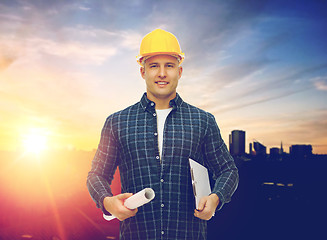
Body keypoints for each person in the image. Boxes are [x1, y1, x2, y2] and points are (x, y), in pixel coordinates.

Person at [87, 29, 239, 240]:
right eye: (153, 66)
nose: (161, 73)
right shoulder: (117, 122)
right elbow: (96, 175)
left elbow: (228, 170)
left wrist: (216, 198)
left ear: (180, 70)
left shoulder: (203, 121)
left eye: (169, 65)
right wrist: (106, 202)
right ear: (143, 72)